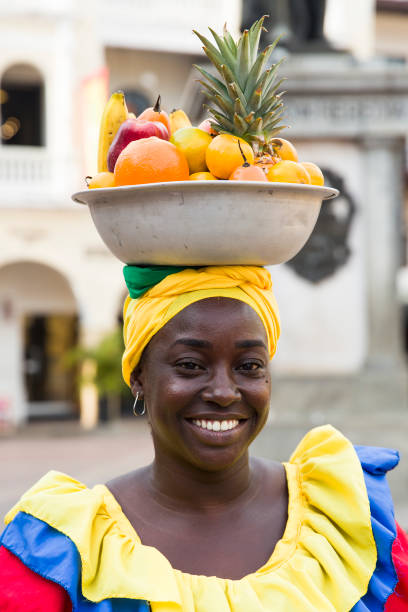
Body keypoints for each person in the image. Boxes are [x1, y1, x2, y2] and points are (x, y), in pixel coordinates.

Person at [0, 265, 407, 611]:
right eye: (191, 365)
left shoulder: (345, 524)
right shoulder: (67, 551)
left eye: (249, 365)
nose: (225, 392)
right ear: (139, 376)